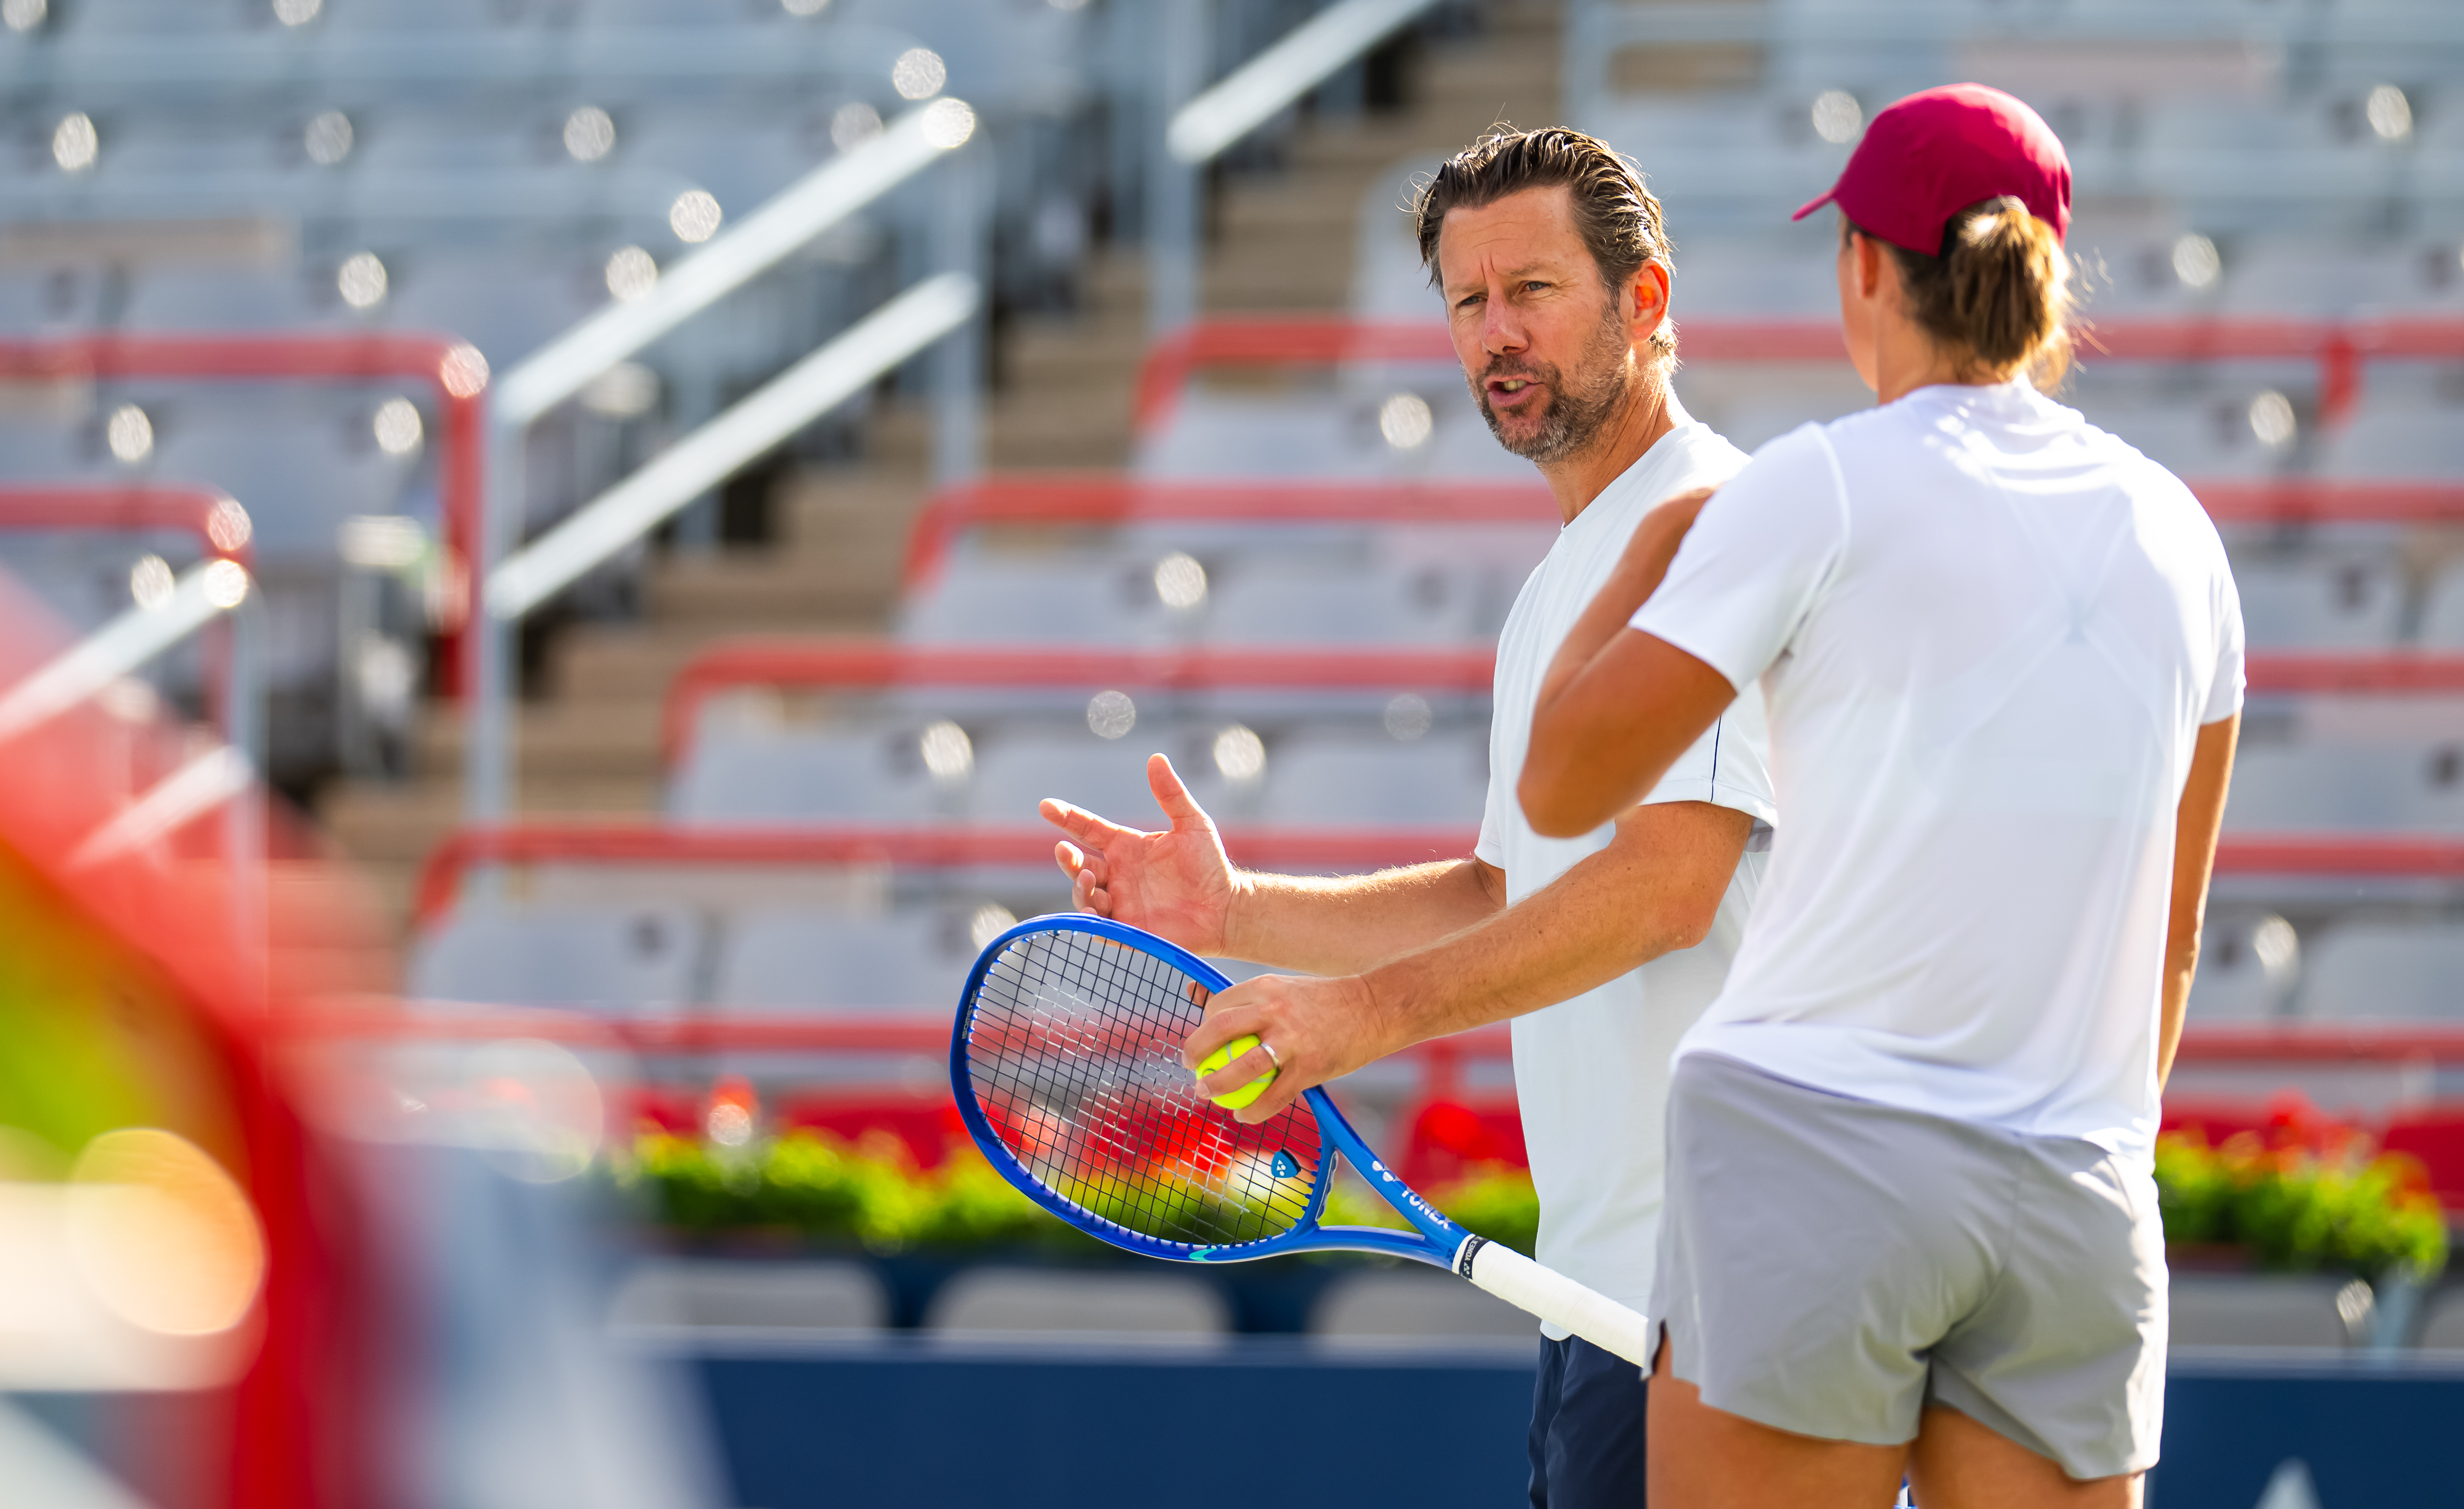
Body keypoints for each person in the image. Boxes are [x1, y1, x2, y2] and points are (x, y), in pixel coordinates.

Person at [1518, 85, 2243, 1507]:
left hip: (1814, 1157)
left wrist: (1655, 542)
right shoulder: (2181, 533)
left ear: (1863, 265)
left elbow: (1559, 783)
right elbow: (2172, 939)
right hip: (2077, 1180)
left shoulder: (1810, 490)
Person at [1040, 128, 1773, 1507]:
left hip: (1722, 1302)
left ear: (1647, 301)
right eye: (1466, 302)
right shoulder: (1568, 578)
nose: (1496, 334)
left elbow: (1667, 884)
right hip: (1607, 1297)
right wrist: (1237, 912)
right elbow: (1512, 889)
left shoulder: (1711, 532)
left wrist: (1367, 1016)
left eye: (1533, 291)